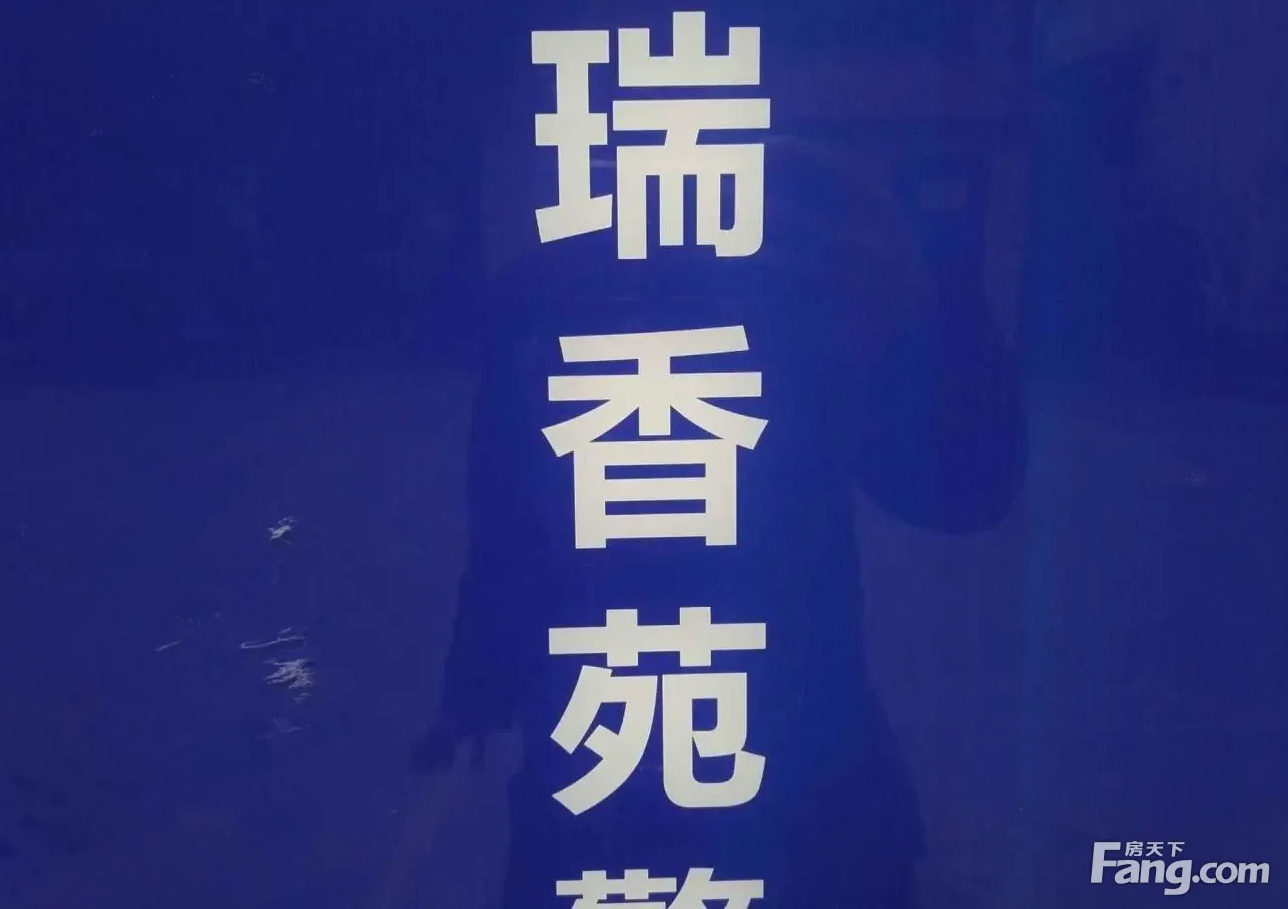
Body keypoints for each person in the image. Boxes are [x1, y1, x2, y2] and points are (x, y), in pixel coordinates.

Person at [413, 119, 1024, 907]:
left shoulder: (800, 288)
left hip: (670, 743)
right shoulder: (561, 292)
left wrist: (926, 294)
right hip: (706, 743)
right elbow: (506, 520)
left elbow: (958, 489)